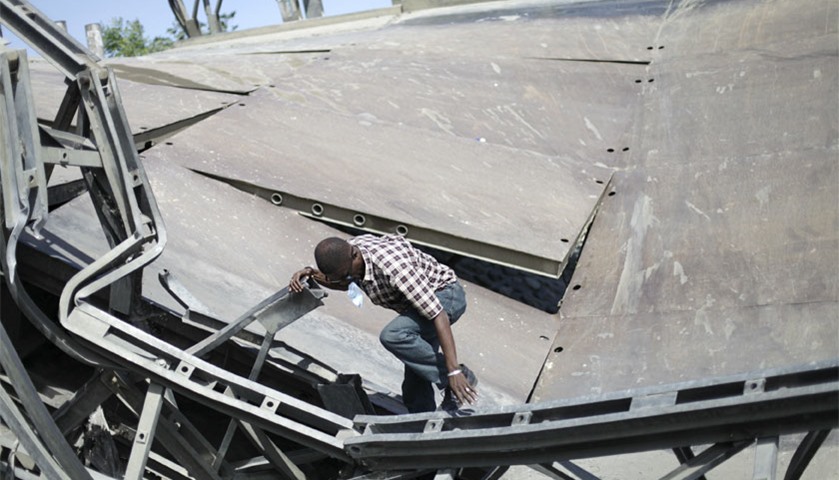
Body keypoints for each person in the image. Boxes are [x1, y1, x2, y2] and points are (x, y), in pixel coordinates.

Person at [289, 234, 478, 413]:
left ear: (355, 256)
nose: (345, 281)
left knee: (394, 335)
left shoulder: (395, 269)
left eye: (346, 274)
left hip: (445, 297)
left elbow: (438, 314)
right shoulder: (349, 256)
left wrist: (452, 371)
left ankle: (458, 377)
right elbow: (343, 282)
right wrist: (310, 273)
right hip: (417, 305)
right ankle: (424, 421)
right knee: (414, 385)